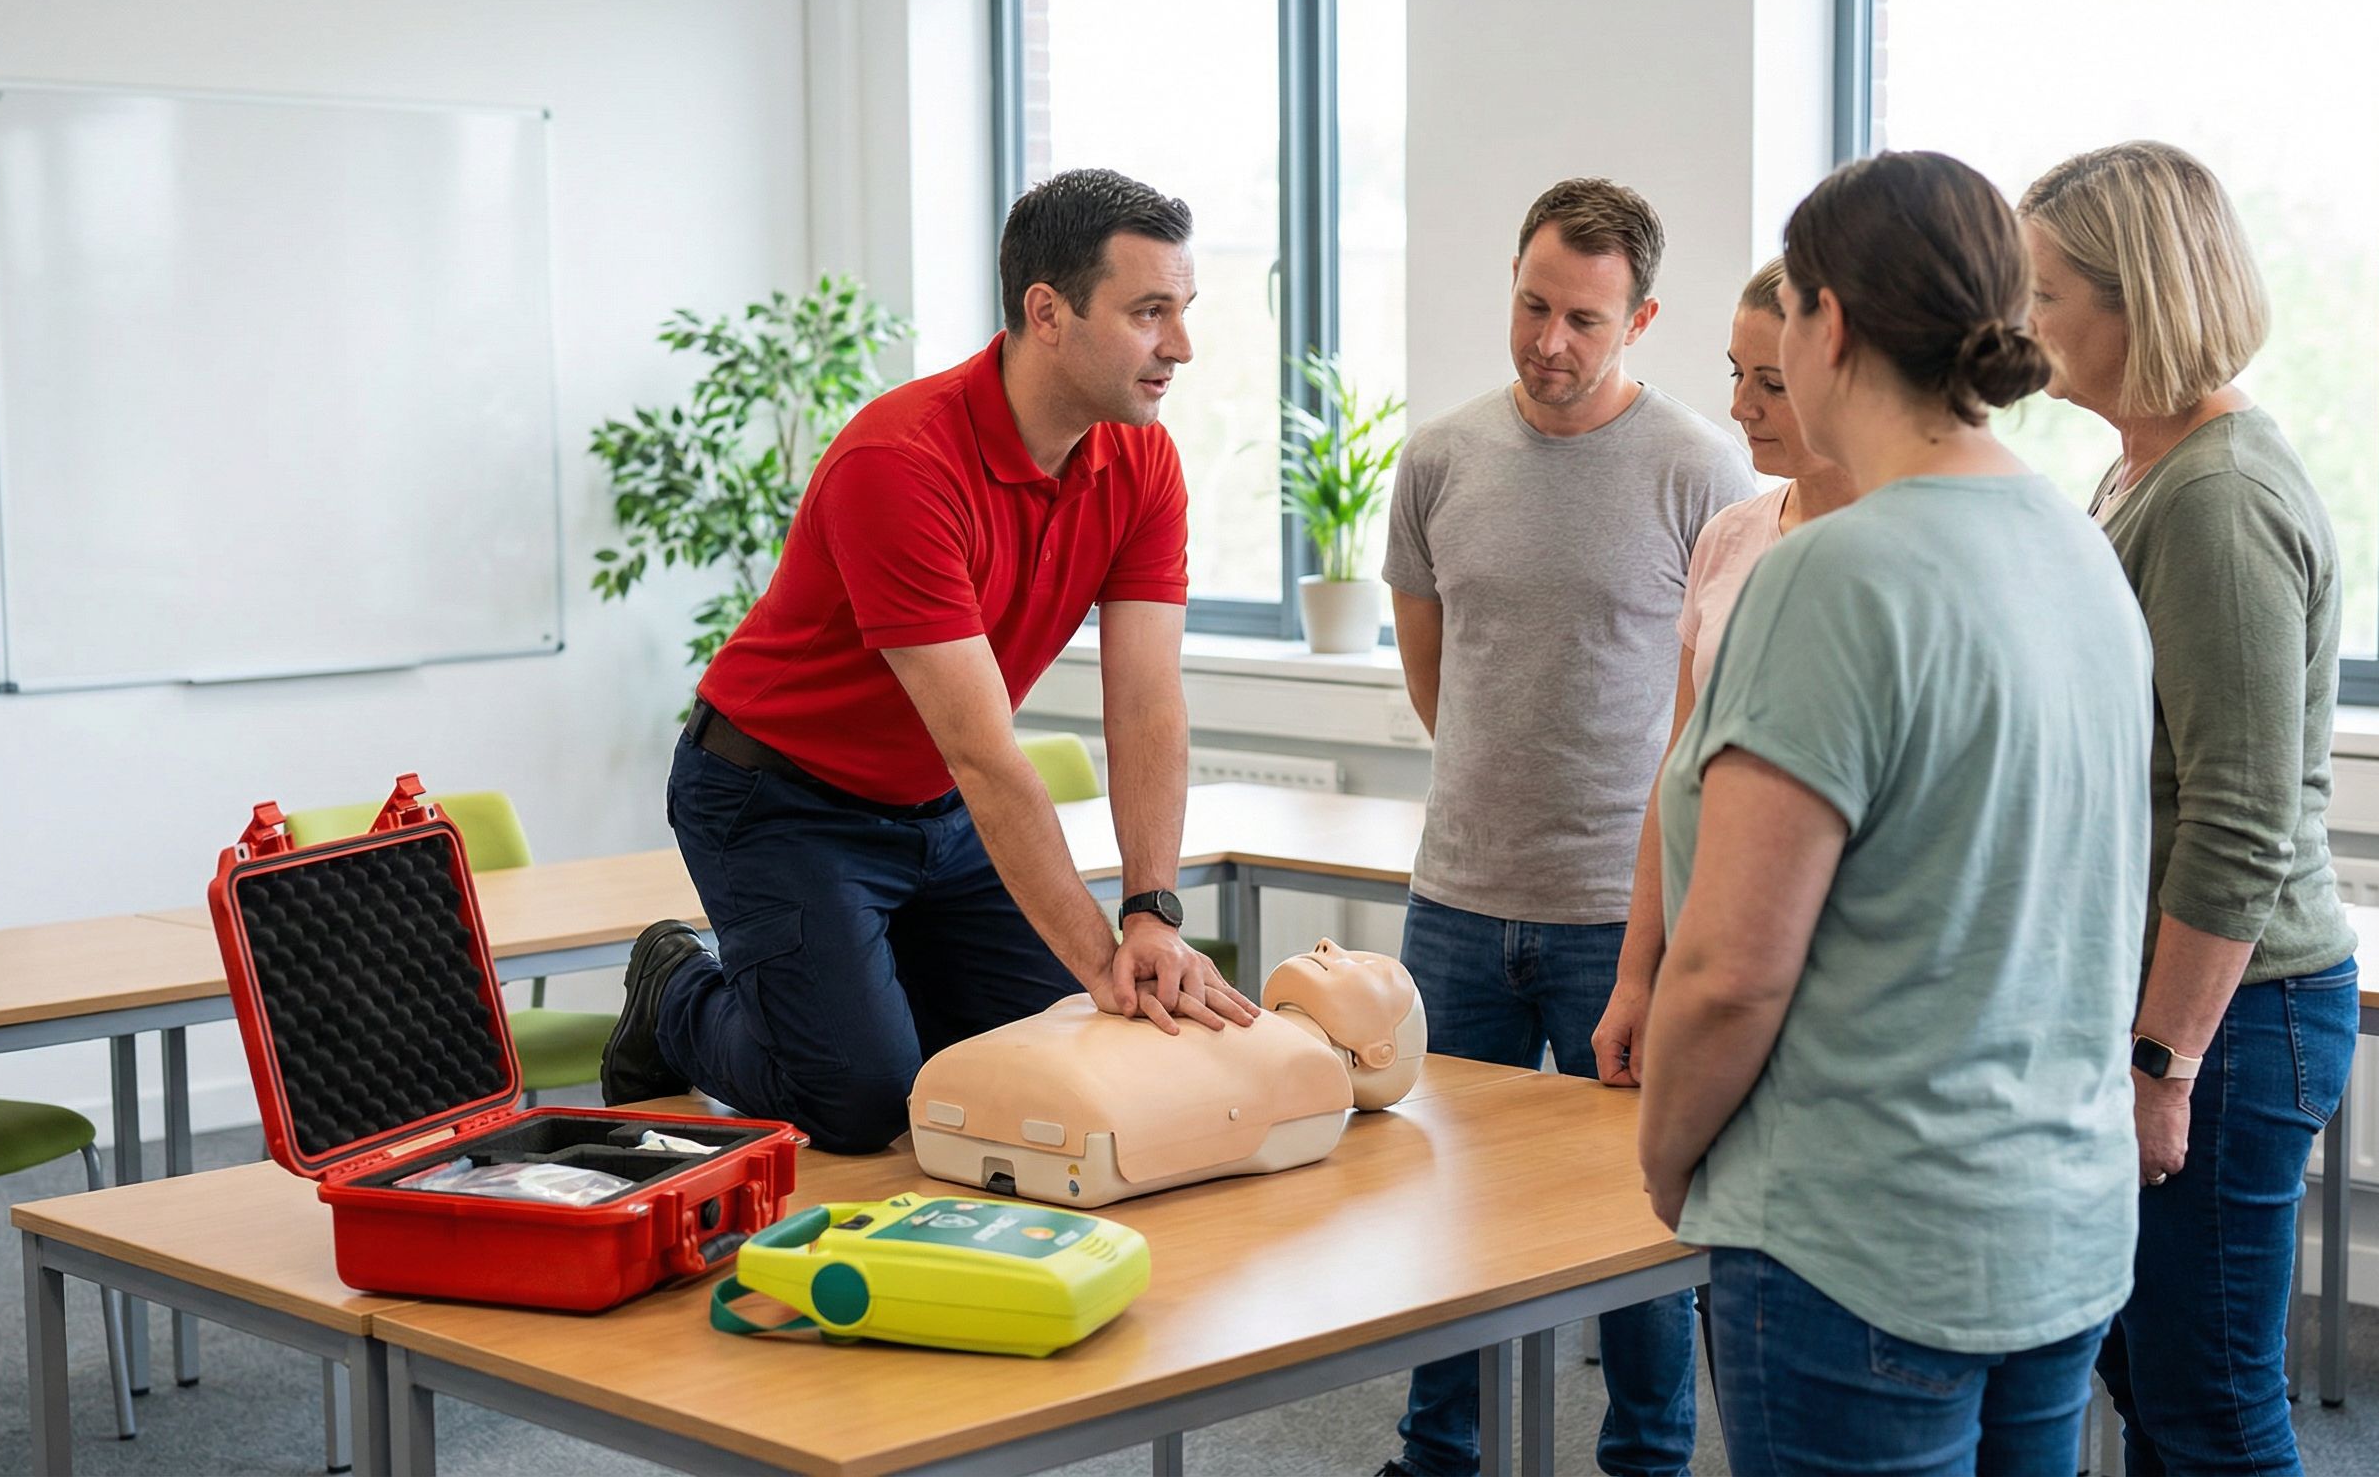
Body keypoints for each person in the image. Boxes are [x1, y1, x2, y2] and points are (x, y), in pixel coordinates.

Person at [1635, 150, 2154, 1476]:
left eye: (1788, 315)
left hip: (1855, 1234)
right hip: (2055, 1227)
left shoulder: (1833, 575)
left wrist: (1668, 1156)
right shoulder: (2078, 543)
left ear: (1833, 326)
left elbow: (1734, 972)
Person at [601, 168, 1258, 1154]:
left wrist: (1151, 915)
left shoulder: (1140, 458)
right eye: (1148, 312)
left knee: (1047, 1056)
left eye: (1184, 310)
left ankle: (858, 991)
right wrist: (1100, 959)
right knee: (866, 1106)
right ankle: (674, 994)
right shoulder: (900, 464)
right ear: (1048, 311)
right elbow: (989, 757)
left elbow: (1145, 706)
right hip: (779, 800)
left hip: (935, 814)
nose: (1181, 347)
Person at [1377, 177, 1754, 1477]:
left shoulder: (1704, 471)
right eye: (1533, 306)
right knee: (1445, 1207)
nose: (1550, 341)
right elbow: (1437, 680)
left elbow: (1713, 709)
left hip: (1623, 921)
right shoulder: (1439, 460)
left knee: (1639, 1222)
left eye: (1584, 319)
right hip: (1460, 908)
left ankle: (1645, 1464)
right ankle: (1440, 1456)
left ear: (1640, 316)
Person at [2021, 139, 2359, 1476]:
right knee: (2155, 1380)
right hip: (2186, 999)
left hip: (2234, 1012)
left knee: (2208, 1402)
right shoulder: (2144, 469)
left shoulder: (2218, 499)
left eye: (2047, 291)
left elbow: (2239, 815)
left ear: (2137, 300)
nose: (2024, 320)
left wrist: (2165, 1066)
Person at [1593, 255, 1857, 1088]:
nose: (1741, 406)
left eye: (1773, 384)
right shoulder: (1729, 538)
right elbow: (1680, 776)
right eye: (1739, 375)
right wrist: (1638, 977)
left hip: (1845, 992)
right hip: (1716, 969)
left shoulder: (1911, 558)